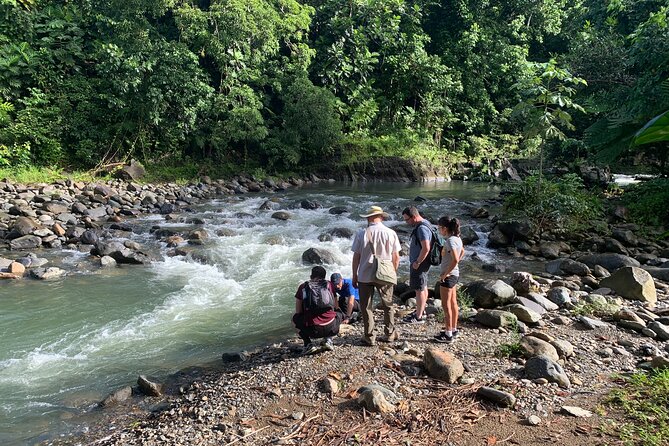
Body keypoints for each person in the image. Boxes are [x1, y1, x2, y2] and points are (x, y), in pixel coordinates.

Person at [352, 205, 401, 345]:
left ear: (370, 218)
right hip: (385, 274)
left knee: (366, 307)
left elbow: (356, 257)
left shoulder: (362, 233)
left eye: (367, 217)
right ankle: (390, 334)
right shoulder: (391, 233)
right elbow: (396, 257)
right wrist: (393, 272)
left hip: (365, 275)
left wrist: (354, 274)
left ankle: (369, 337)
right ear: (381, 217)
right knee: (388, 305)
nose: (366, 219)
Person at [292, 266, 343, 354]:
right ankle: (328, 339)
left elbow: (298, 311)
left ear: (311, 275)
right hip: (331, 328)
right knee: (338, 312)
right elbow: (336, 306)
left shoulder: (303, 287)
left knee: (294, 319)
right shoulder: (330, 284)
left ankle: (308, 344)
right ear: (324, 276)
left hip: (313, 330)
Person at [434, 216, 465, 344]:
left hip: (449, 276)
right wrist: (454, 267)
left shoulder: (450, 241)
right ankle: (453, 329)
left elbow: (456, 259)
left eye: (439, 228)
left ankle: (448, 335)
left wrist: (445, 274)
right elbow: (463, 252)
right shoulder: (457, 239)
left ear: (445, 228)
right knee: (453, 304)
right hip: (455, 274)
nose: (439, 231)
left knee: (446, 306)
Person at [401, 206, 432, 324]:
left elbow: (426, 247)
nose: (406, 222)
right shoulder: (426, 223)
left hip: (419, 263)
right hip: (422, 262)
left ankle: (418, 317)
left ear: (414, 217)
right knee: (423, 287)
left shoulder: (421, 228)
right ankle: (421, 311)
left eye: (407, 219)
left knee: (419, 290)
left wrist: (417, 262)